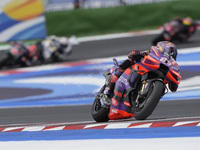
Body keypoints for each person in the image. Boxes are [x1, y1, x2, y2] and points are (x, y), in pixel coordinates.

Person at [101, 41, 179, 119]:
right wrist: (135, 54)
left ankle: (142, 101)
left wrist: (173, 81)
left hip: (156, 76)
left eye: (172, 54)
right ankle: (107, 93)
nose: (170, 54)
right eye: (169, 51)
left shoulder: (172, 65)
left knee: (163, 89)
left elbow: (173, 88)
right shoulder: (151, 53)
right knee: (128, 62)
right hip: (138, 69)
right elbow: (133, 55)